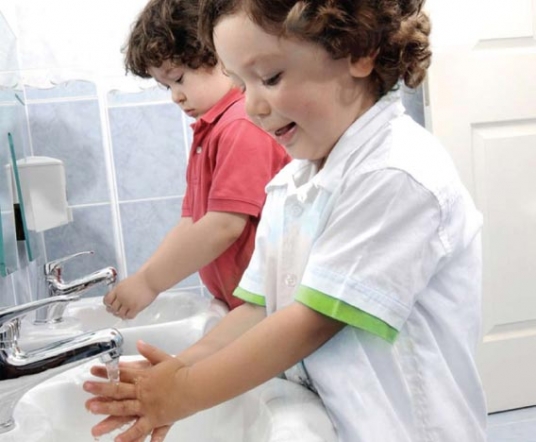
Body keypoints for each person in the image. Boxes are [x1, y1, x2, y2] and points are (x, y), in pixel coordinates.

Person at [84, 1, 488, 441]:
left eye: (270, 78)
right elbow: (259, 310)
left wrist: (181, 392)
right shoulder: (289, 188)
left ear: (359, 50)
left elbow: (309, 323)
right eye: (240, 83)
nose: (252, 105)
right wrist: (180, 367)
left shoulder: (397, 175)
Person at [103, 0, 290, 319]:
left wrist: (150, 283)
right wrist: (142, 278)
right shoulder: (210, 131)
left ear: (219, 57)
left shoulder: (242, 126)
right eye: (166, 87)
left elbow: (224, 226)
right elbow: (191, 222)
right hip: (245, 306)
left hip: (272, 308)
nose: (175, 95)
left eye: (178, 78)